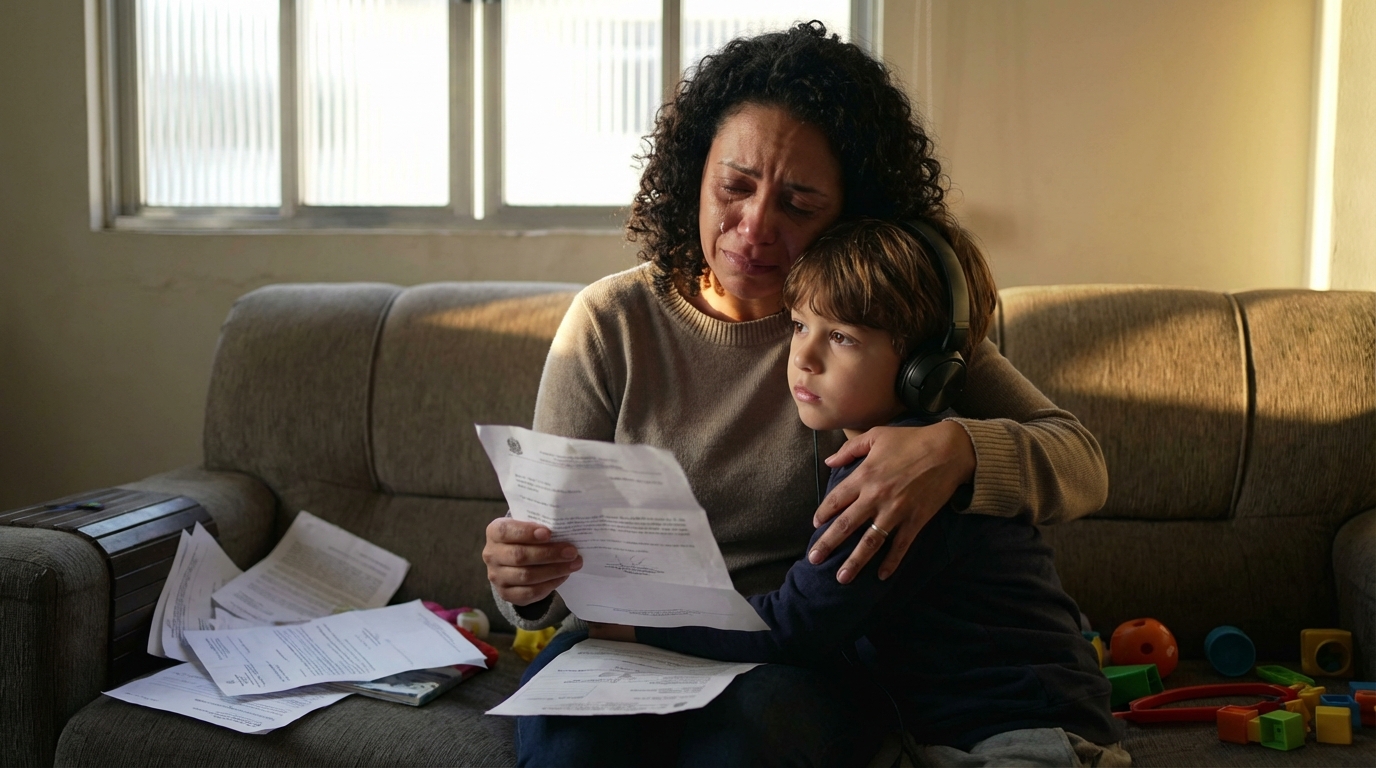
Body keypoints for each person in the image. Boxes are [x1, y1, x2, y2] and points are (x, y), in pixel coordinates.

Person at [482, 22, 1110, 766]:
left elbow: (1083, 463)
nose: (754, 228)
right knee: (569, 742)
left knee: (749, 733)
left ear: (851, 213)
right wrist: (522, 581)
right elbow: (544, 577)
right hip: (626, 637)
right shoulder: (608, 324)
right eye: (735, 187)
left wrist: (958, 446)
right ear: (695, 173)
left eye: (800, 204)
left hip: (792, 657)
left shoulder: (878, 328)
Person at [587, 218, 1130, 767]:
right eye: (799, 326)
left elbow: (794, 628)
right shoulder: (867, 457)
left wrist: (638, 623)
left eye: (841, 337)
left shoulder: (896, 482)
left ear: (925, 370)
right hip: (939, 734)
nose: (804, 356)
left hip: (1028, 733)